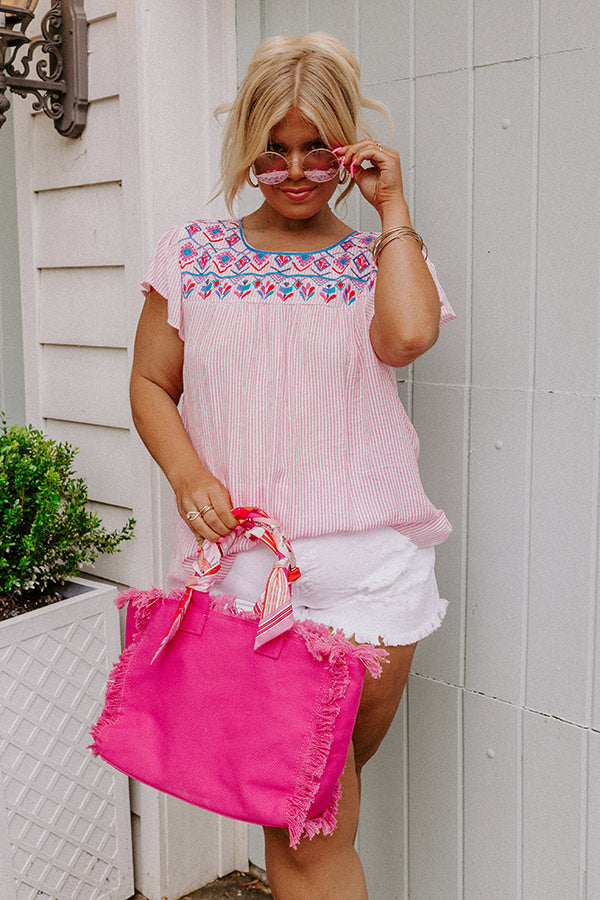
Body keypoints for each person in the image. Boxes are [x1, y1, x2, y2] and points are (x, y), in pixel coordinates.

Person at [130, 31, 454, 900]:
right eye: (274, 153)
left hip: (379, 586)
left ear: (349, 150)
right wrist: (190, 476)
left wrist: (392, 211)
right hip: (254, 594)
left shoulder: (375, 260)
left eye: (318, 150)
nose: (298, 171)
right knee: (309, 828)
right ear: (246, 149)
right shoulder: (193, 253)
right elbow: (153, 384)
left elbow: (409, 336)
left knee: (322, 812)